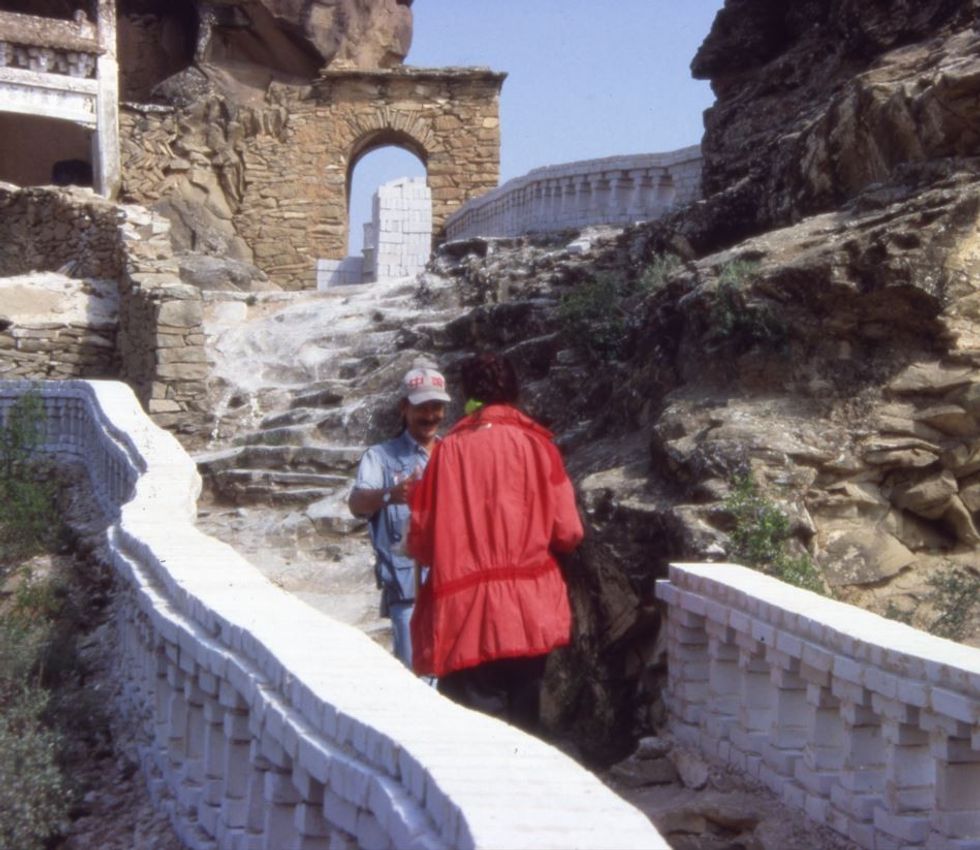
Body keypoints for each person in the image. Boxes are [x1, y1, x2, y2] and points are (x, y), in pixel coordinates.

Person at [407, 352, 584, 730]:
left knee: (473, 731)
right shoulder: (540, 447)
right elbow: (568, 532)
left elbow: (421, 542)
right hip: (528, 610)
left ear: (470, 395)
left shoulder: (448, 452)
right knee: (525, 727)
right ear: (514, 391)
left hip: (464, 612)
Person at [348, 362, 450, 669]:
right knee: (417, 675)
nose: (430, 416)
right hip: (407, 589)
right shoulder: (379, 457)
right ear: (404, 408)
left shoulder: (453, 454)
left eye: (436, 407)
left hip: (451, 585)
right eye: (422, 408)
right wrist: (390, 495)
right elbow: (356, 503)